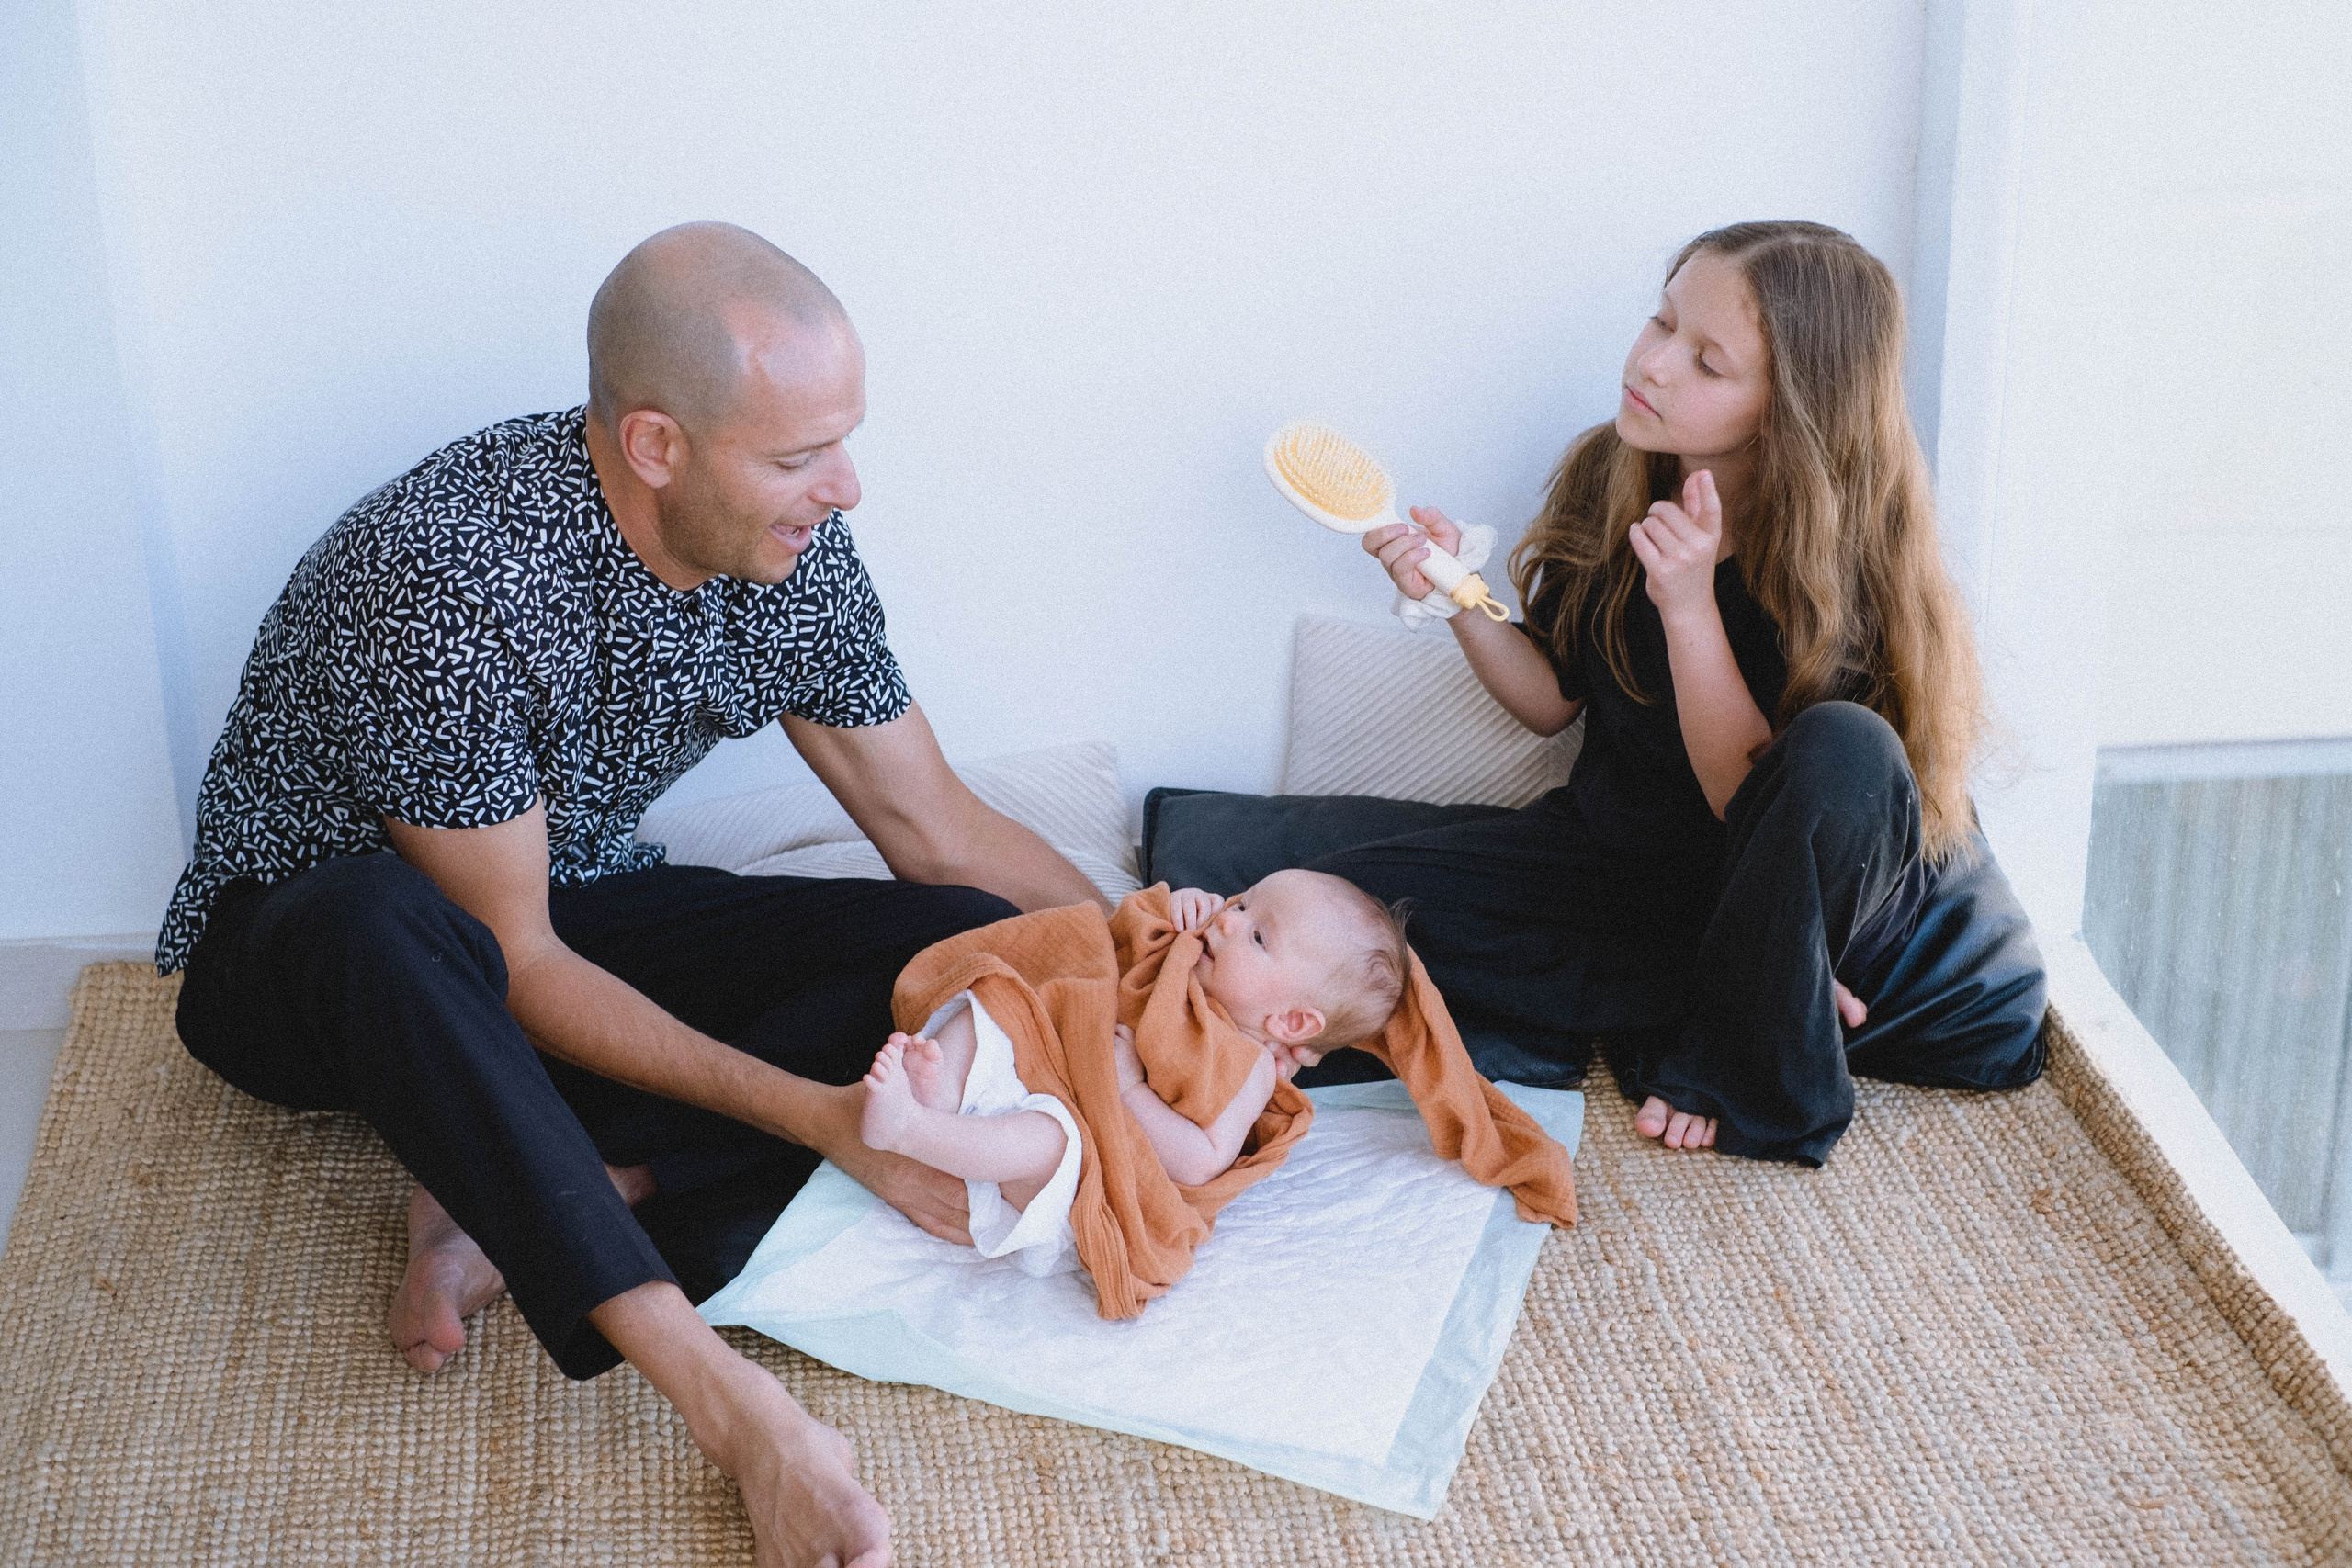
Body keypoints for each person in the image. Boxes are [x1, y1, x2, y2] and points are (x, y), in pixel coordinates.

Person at [163, 221, 1107, 1568]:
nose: (845, 487)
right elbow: (518, 961)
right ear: (657, 444)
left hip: (569, 906)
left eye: (842, 442)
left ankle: (536, 1185)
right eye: (799, 455)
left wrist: (1155, 967)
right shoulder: (443, 581)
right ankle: (741, 1415)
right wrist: (814, 1115)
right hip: (319, 961)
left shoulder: (793, 549)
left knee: (976, 950)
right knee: (382, 919)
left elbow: (936, 824)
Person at [1320, 220, 2045, 1167]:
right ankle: (1732, 989)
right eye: (1661, 322)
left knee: (1843, 742)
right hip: (1647, 876)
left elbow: (1756, 806)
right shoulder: (1613, 470)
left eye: (1707, 361)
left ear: (1788, 409)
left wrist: (1689, 607)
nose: (1653, 363)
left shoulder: (1844, 563)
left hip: (1816, 906)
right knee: (1331, 909)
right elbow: (1550, 701)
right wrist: (1452, 592)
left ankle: (1758, 1049)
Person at [856, 870, 1409, 1270]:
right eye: (1243, 904)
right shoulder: (1187, 956)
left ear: (1291, 1020)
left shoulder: (1254, 1068)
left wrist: (1131, 1088)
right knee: (1000, 997)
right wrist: (1174, 909)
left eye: (1258, 936)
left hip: (1092, 1161)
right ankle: (941, 1093)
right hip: (1047, 1067)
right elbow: (1120, 941)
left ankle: (912, 1130)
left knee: (1049, 1141)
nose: (1228, 921)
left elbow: (1199, 1161)